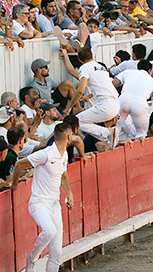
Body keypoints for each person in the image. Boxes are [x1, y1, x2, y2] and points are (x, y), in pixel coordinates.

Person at [10, 123, 74, 272]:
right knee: (49, 231)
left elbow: (63, 175)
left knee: (57, 252)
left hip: (54, 205)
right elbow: (19, 164)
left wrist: (69, 193)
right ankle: (32, 259)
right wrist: (14, 185)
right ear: (69, 137)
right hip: (38, 203)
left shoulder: (64, 154)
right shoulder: (46, 154)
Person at [60, 47, 120, 148]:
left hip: (106, 105)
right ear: (92, 56)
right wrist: (90, 95)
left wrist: (70, 107)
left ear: (79, 60)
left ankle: (107, 133)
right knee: (84, 121)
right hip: (115, 104)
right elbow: (104, 85)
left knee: (77, 122)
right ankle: (107, 136)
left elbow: (80, 90)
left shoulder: (84, 68)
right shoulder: (101, 67)